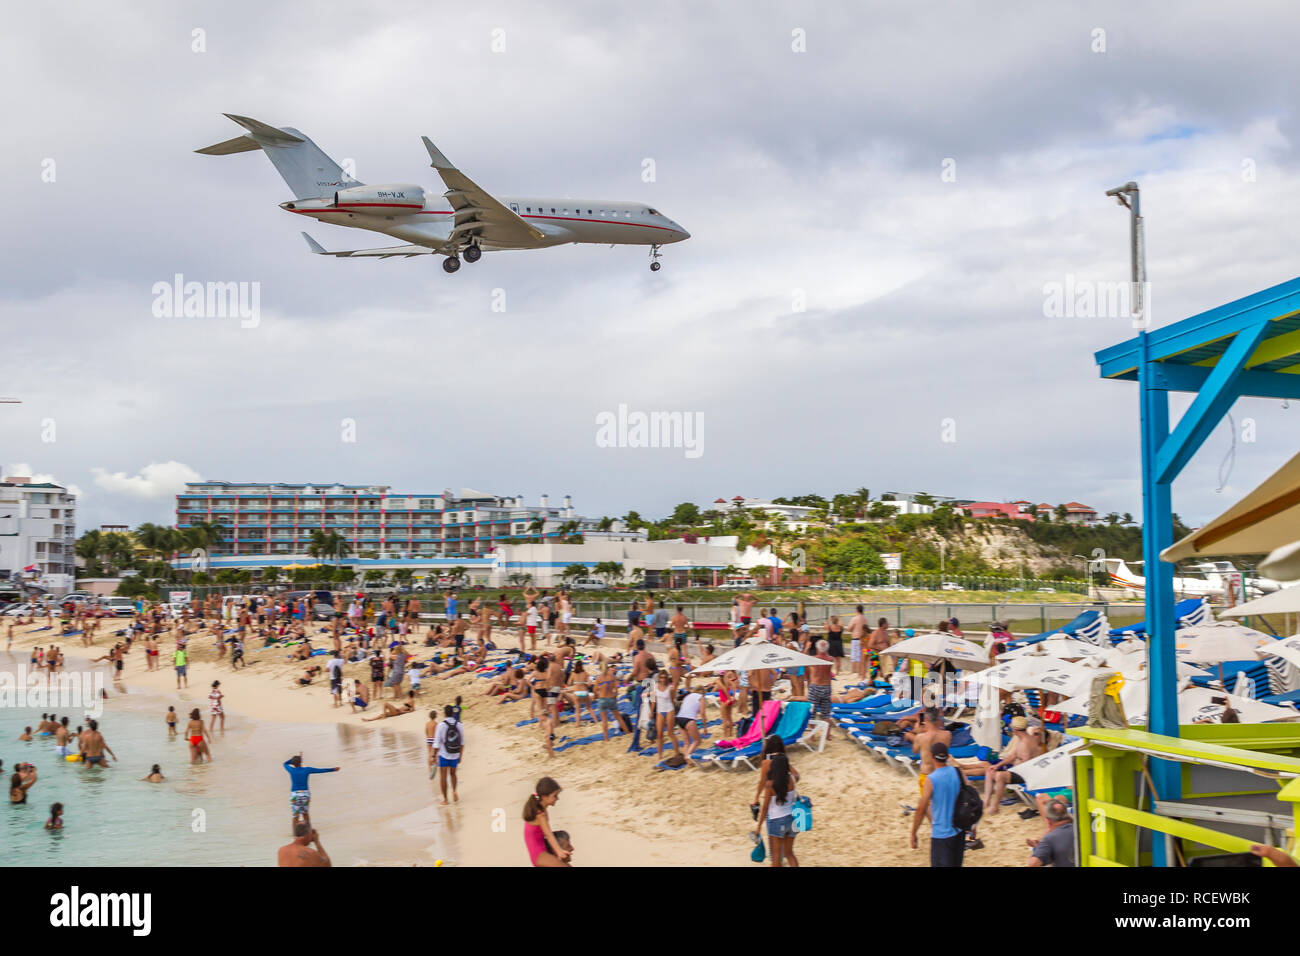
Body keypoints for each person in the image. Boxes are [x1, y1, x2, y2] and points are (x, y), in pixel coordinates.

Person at [909, 741, 966, 867]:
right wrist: (972, 826)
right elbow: (970, 799)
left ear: (931, 756)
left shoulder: (931, 779)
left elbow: (921, 809)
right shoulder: (958, 772)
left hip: (942, 834)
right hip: (959, 831)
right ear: (947, 756)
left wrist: (914, 833)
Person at [754, 751, 800, 867]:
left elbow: (765, 808)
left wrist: (759, 826)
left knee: (776, 859)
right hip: (792, 820)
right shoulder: (792, 780)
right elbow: (796, 774)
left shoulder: (770, 784)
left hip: (777, 821)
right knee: (789, 854)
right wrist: (785, 762)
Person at [283, 753, 339, 833]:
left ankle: (295, 835)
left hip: (295, 795)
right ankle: (309, 832)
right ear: (301, 762)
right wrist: (333, 769)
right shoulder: (307, 769)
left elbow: (284, 763)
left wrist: (292, 761)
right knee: (305, 815)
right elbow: (320, 770)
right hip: (305, 794)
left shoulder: (291, 770)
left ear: (293, 764)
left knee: (295, 816)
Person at [523, 777, 570, 866]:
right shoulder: (540, 814)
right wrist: (559, 851)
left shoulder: (541, 810)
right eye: (555, 796)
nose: (557, 798)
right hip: (539, 855)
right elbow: (548, 834)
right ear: (545, 797)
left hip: (542, 852)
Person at [432, 699, 465, 805]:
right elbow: (462, 743)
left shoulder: (441, 725)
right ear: (453, 713)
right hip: (455, 753)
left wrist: (434, 755)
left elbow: (437, 743)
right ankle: (454, 791)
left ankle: (445, 799)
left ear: (444, 713)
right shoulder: (459, 725)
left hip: (444, 754)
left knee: (443, 777)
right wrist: (460, 755)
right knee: (453, 774)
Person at [1027, 797, 1075, 866]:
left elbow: (1033, 863)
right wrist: (1041, 846)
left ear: (1048, 820)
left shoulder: (1050, 839)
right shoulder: (1081, 830)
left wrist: (1042, 845)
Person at [808, 639, 834, 718]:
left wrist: (807, 648)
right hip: (826, 686)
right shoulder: (830, 659)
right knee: (826, 715)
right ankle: (827, 730)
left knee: (811, 714)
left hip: (815, 686)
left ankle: (812, 729)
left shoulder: (813, 659)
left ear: (817, 648)